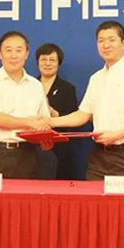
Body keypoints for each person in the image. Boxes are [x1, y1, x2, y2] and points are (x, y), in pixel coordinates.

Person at [50, 21, 124, 181]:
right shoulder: (96, 78)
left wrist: (116, 135)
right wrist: (48, 122)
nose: (106, 45)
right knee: (95, 198)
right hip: (99, 157)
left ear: (123, 43)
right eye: (101, 40)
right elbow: (83, 115)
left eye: (111, 40)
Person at [0, 31, 52, 179]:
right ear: (0, 54)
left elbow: (44, 120)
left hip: (28, 155)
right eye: (8, 50)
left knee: (26, 194)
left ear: (27, 54)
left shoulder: (36, 85)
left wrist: (45, 138)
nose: (14, 55)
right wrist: (31, 123)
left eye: (19, 50)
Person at [35, 43, 79, 179]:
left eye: (52, 60)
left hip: (59, 149)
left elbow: (73, 119)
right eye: (44, 59)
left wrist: (53, 113)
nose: (47, 63)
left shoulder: (67, 89)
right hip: (31, 148)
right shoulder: (29, 85)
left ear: (59, 63)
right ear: (37, 62)